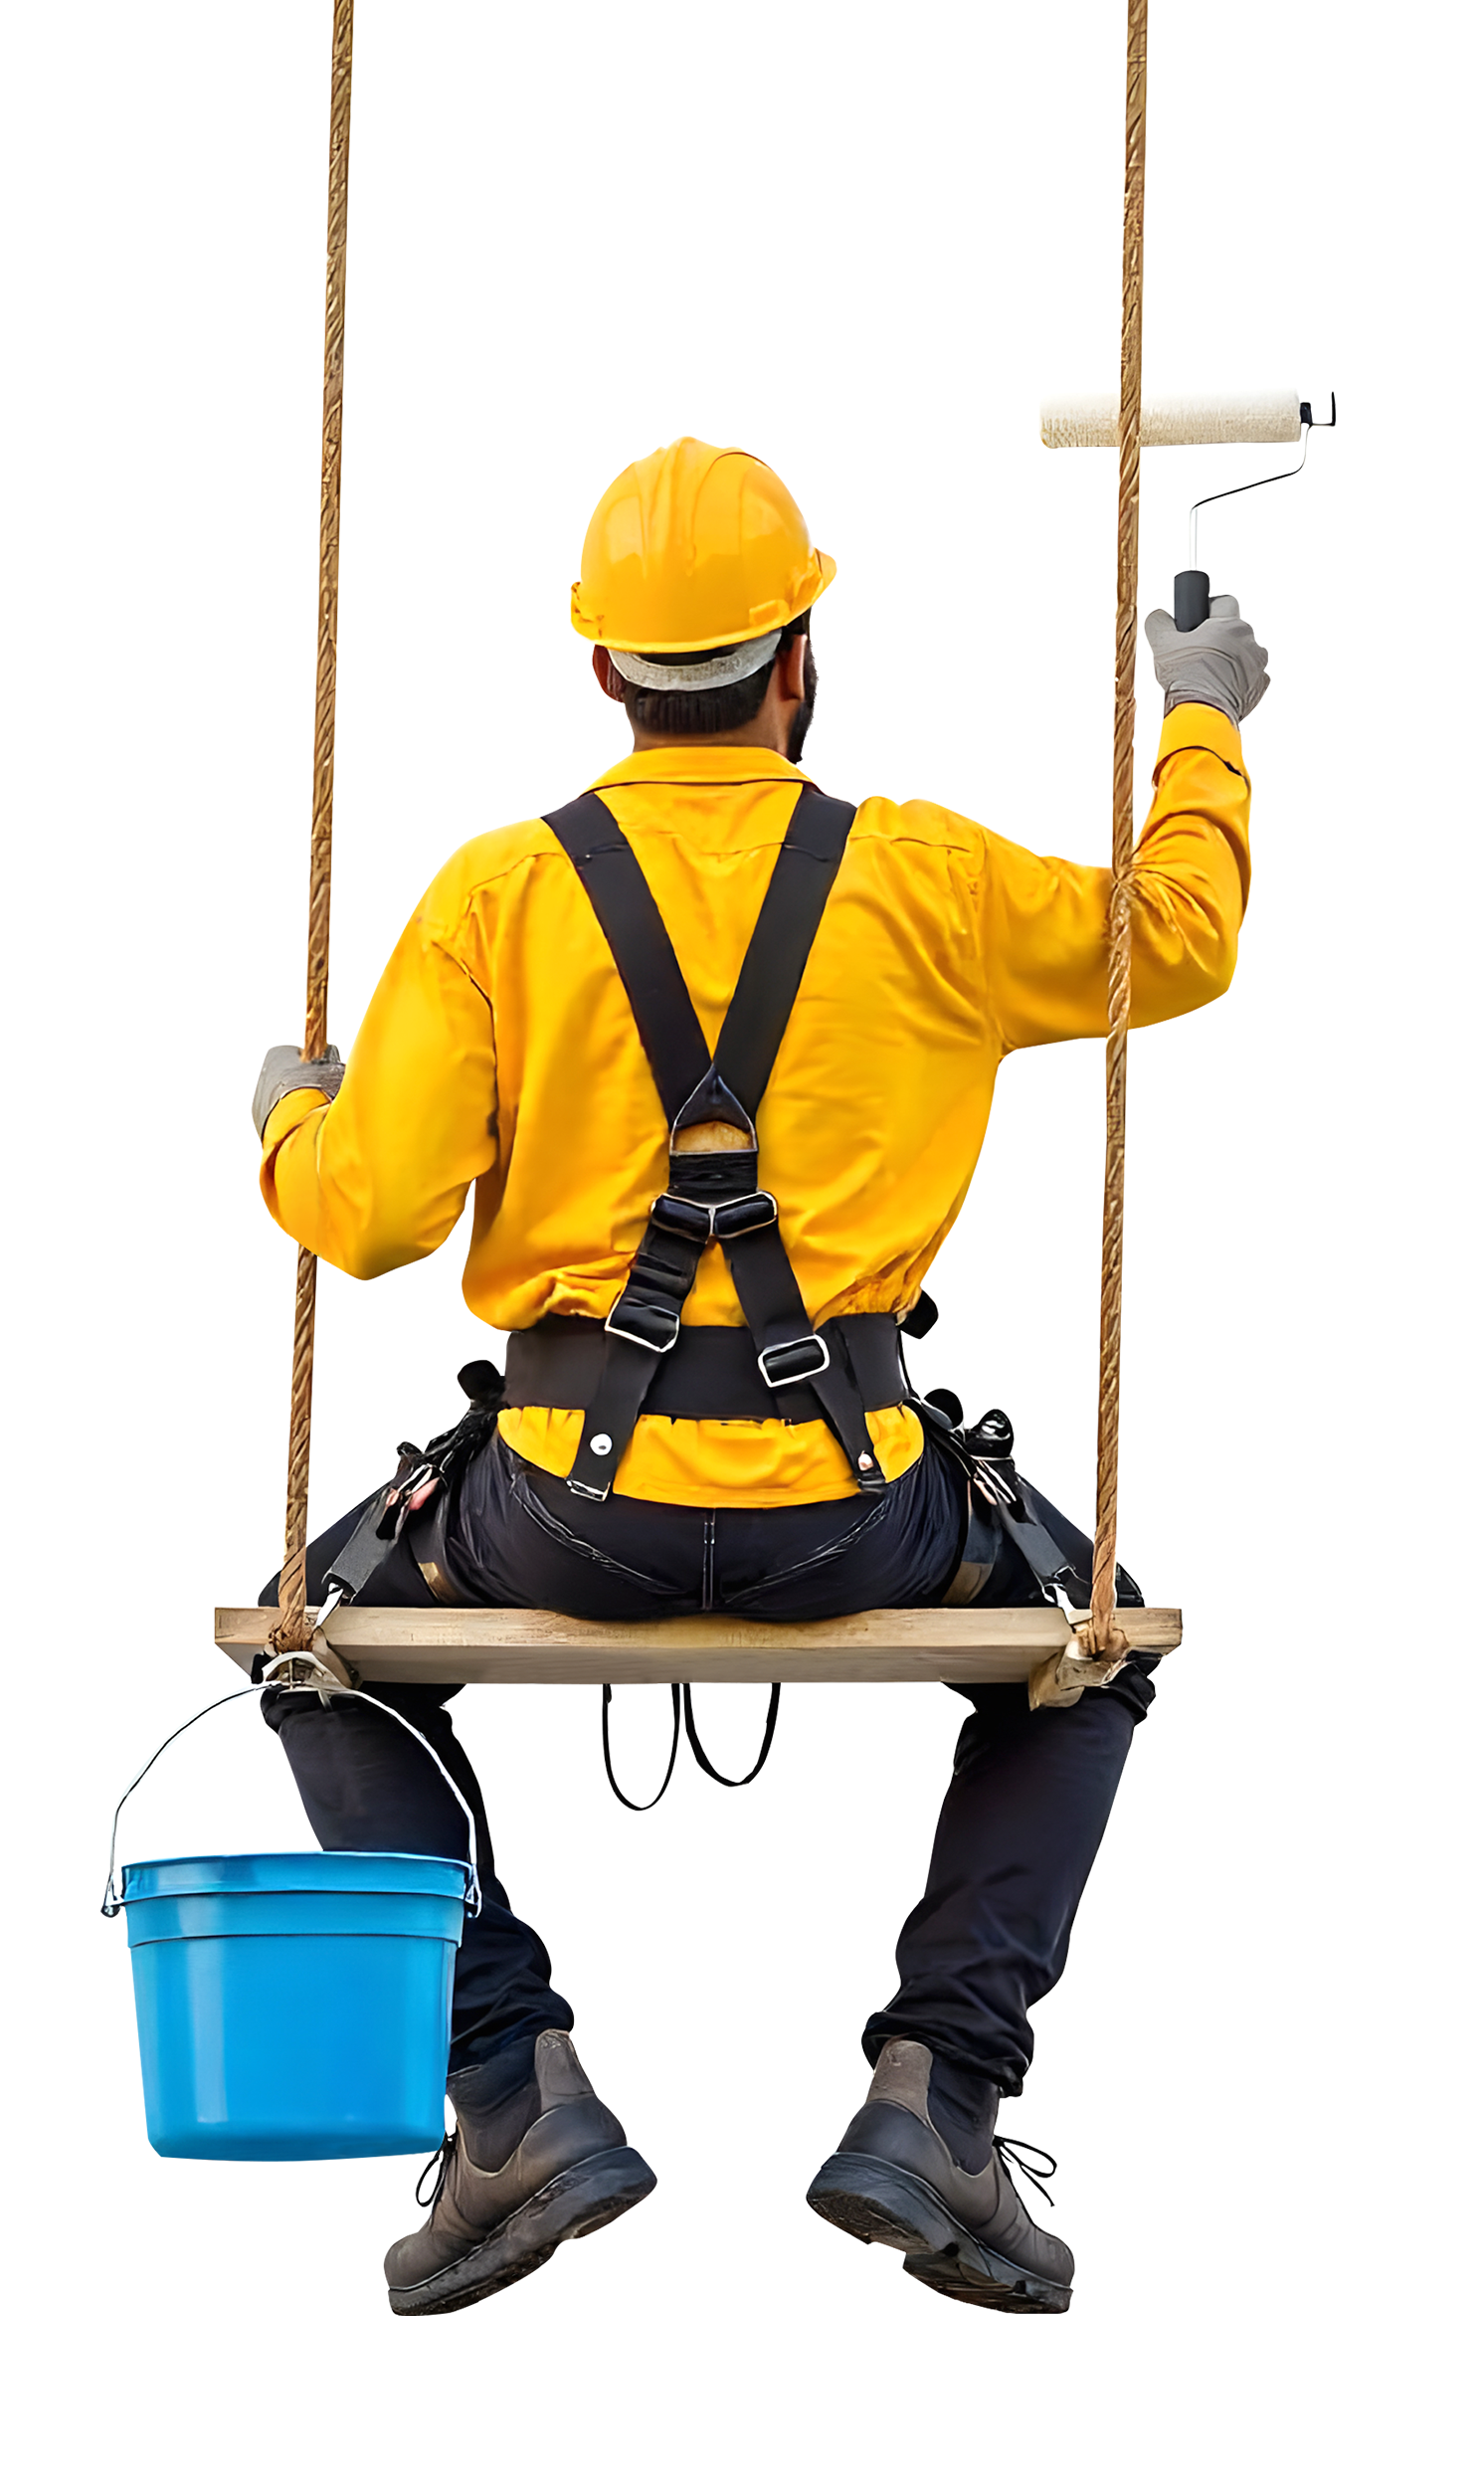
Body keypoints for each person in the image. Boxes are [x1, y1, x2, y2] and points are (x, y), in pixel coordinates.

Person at [253, 438, 1265, 2316]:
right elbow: (1179, 973)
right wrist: (1194, 729)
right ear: (797, 658)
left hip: (556, 1508)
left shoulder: (491, 904)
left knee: (307, 1674)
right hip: (852, 1511)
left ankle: (512, 2099)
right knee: (1094, 1645)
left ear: (597, 674)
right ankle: (942, 2102)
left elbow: (370, 1213)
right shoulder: (933, 879)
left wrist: (295, 1131)